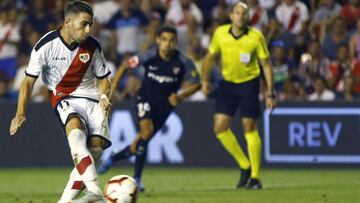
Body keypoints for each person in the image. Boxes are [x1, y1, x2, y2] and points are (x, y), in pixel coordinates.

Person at [9, 1, 111, 202]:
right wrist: (20, 113)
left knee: (94, 151)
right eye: (84, 24)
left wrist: (104, 95)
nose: (88, 30)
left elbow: (103, 79)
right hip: (64, 96)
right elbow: (28, 82)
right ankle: (95, 191)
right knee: (74, 130)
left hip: (93, 98)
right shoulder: (45, 46)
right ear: (67, 21)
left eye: (90, 24)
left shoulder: (93, 47)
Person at [97, 25, 201, 191]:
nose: (168, 44)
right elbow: (124, 66)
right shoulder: (148, 56)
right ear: (158, 40)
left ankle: (113, 159)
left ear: (176, 42)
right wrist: (111, 95)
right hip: (144, 99)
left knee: (140, 143)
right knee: (146, 133)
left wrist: (181, 96)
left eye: (172, 40)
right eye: (164, 40)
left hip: (165, 107)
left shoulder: (183, 61)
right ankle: (137, 179)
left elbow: (198, 84)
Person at [201, 2, 275, 190]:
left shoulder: (256, 37)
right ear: (231, 15)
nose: (240, 16)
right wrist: (204, 80)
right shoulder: (220, 34)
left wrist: (270, 93)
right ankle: (245, 164)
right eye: (237, 13)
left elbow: (266, 65)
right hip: (228, 84)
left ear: (248, 17)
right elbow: (209, 57)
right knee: (220, 128)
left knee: (249, 127)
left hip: (249, 84)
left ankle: (256, 177)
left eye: (244, 13)